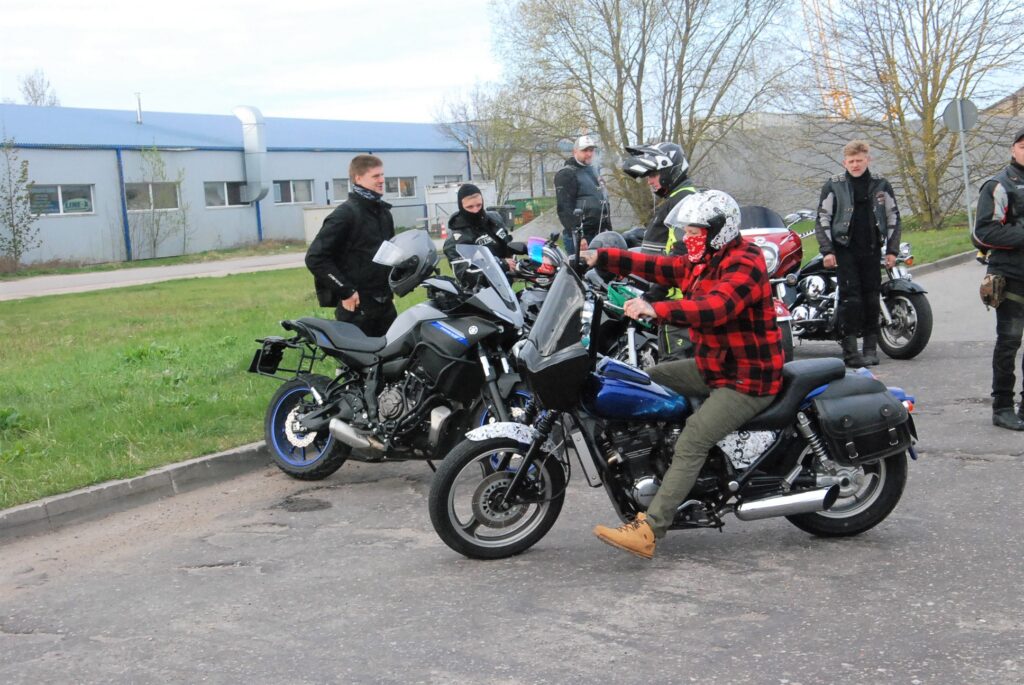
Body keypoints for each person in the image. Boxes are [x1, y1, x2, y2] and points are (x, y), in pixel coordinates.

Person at [585, 189, 785, 559]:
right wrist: (603, 257)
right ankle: (657, 461)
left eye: (695, 232)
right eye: (687, 232)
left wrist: (657, 309)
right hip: (714, 365)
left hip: (747, 377)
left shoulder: (746, 262)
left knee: (694, 438)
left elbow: (715, 308)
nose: (688, 238)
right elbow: (660, 267)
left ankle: (651, 529)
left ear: (719, 231)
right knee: (646, 380)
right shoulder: (704, 258)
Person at [814, 140, 902, 367]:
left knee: (872, 298)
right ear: (845, 162)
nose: (855, 165)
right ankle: (851, 352)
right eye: (851, 161)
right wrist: (827, 250)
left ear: (867, 160)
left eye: (859, 160)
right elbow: (822, 218)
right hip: (844, 250)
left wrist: (892, 250)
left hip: (871, 249)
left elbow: (893, 217)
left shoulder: (881, 184)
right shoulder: (834, 185)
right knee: (850, 300)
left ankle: (871, 349)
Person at [621, 141, 698, 359]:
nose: (649, 181)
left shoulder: (685, 203)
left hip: (676, 304)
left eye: (653, 174)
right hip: (671, 301)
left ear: (669, 171)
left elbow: (680, 258)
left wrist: (649, 297)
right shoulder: (677, 199)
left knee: (672, 371)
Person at [305, 154, 397, 337]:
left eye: (382, 175)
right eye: (376, 176)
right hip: (356, 309)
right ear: (358, 178)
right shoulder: (345, 215)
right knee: (357, 356)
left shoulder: (384, 213)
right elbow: (315, 258)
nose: (382, 180)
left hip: (385, 305)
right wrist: (346, 291)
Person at [971, 127, 1024, 431]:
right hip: (1010, 276)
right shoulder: (999, 185)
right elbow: (983, 232)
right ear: (1012, 149)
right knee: (1009, 343)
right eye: (1022, 145)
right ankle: (1002, 407)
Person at [443, 183, 516, 285]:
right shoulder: (455, 239)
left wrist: (515, 264)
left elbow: (509, 246)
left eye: (479, 205)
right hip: (480, 292)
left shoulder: (495, 220)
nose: (475, 210)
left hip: (506, 287)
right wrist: (501, 265)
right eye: (470, 207)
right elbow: (465, 275)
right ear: (461, 206)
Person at [554, 134, 613, 255]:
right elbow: (564, 209)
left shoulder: (593, 171)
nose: (589, 154)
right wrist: (579, 236)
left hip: (600, 234)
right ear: (575, 151)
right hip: (582, 237)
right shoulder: (566, 174)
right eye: (585, 150)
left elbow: (603, 202)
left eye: (591, 150)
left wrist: (609, 230)